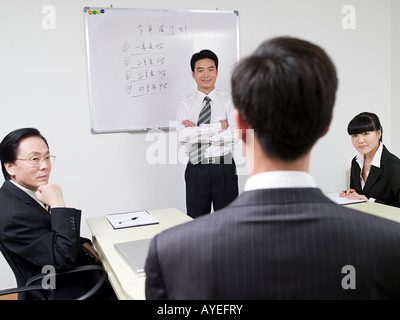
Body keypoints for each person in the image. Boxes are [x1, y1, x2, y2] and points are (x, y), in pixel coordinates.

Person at [145, 37, 400, 299]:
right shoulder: (389, 244)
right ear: (325, 125)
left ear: (241, 125)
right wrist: (218, 127)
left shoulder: (169, 252)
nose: (206, 74)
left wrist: (202, 130)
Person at [0, 128, 115, 299]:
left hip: (65, 275)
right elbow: (63, 258)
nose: (45, 165)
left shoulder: (19, 195)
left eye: (47, 157)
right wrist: (57, 204)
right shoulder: (15, 216)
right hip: (65, 288)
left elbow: (49, 237)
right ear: (10, 167)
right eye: (35, 159)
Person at [176, 49, 238, 218]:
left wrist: (196, 130)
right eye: (200, 70)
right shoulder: (185, 104)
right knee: (196, 222)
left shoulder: (229, 101)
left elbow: (235, 134)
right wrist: (219, 126)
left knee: (228, 222)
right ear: (193, 74)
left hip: (224, 167)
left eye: (210, 69)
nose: (206, 74)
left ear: (217, 72)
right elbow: (184, 137)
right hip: (196, 168)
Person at [339, 112, 400, 207]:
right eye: (355, 135)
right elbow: (362, 195)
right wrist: (350, 194)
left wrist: (370, 201)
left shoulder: (394, 166)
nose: (360, 140)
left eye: (365, 134)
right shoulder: (356, 162)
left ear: (378, 134)